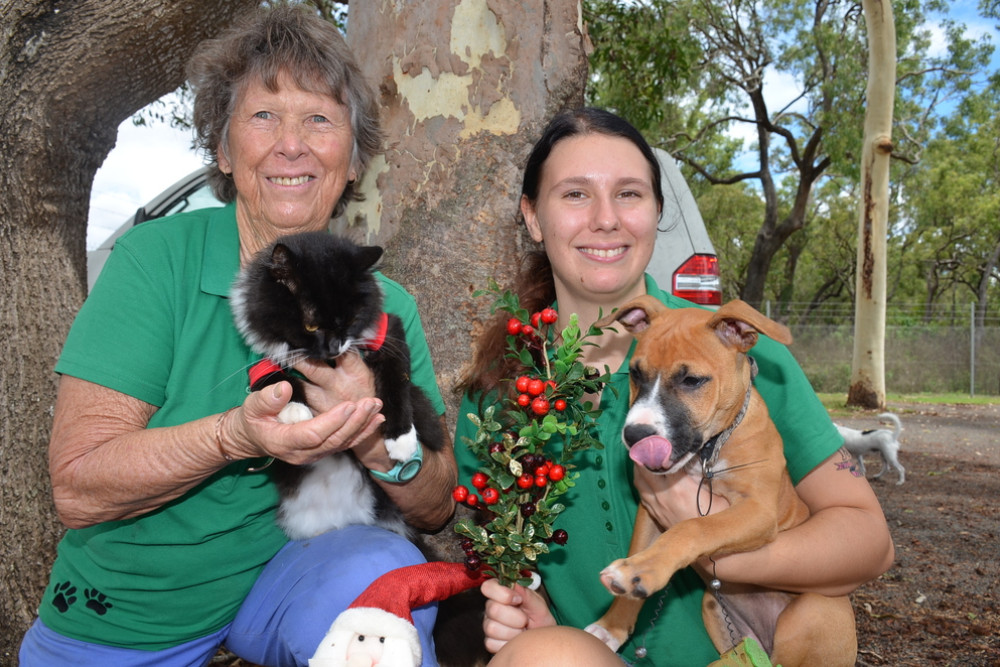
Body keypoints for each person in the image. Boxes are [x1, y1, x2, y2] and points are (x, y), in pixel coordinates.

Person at [20, 6, 456, 667]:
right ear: (223, 150)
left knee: (380, 592)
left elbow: (434, 503)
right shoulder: (156, 260)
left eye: (319, 118)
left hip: (284, 578)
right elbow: (78, 486)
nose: (292, 143)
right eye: (263, 116)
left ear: (355, 157)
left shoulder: (384, 303)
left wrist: (373, 436)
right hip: (132, 610)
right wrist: (235, 435)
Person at [454, 107, 895, 666]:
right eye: (574, 194)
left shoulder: (738, 359)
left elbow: (870, 546)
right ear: (533, 217)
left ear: (658, 211)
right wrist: (529, 609)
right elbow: (506, 555)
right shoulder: (502, 394)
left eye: (630, 194)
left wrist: (705, 550)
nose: (606, 218)